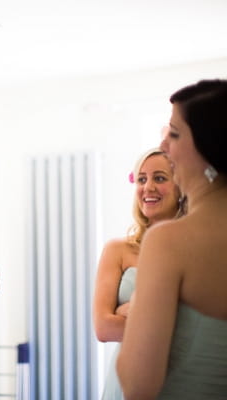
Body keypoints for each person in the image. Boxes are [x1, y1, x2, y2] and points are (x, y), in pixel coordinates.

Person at [117, 79, 227, 399]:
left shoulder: (169, 242)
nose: (164, 146)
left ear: (210, 148)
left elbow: (138, 385)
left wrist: (138, 305)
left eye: (174, 134)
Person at [92, 147, 183, 400]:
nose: (148, 187)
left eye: (160, 178)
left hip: (180, 376)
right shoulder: (118, 250)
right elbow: (103, 328)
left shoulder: (193, 253)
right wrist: (167, 316)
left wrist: (134, 310)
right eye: (142, 179)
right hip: (125, 380)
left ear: (181, 186)